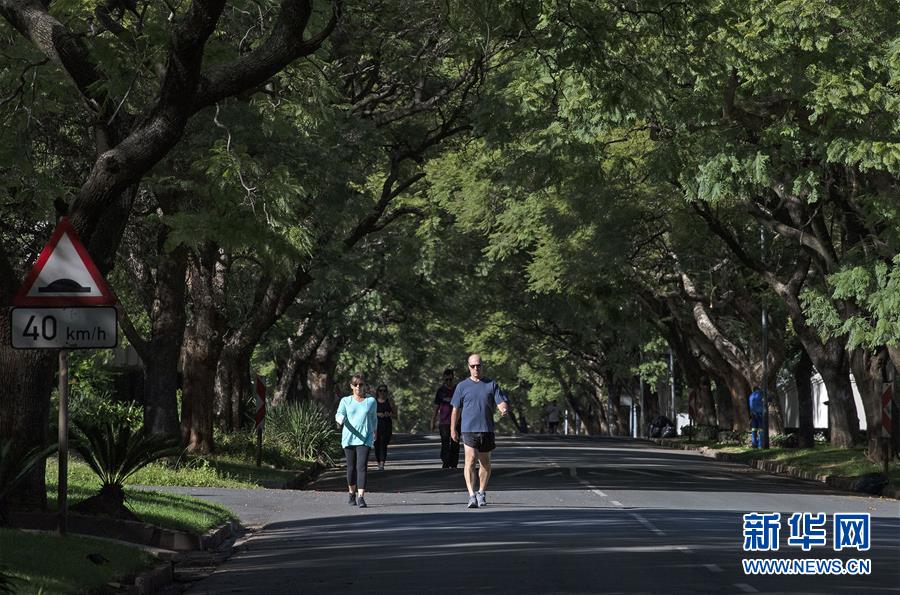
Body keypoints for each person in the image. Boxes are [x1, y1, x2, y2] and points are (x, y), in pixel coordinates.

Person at [450, 353, 509, 509]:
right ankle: (471, 495)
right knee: (470, 460)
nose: (476, 368)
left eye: (478, 365)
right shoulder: (462, 386)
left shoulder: (491, 384)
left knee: (485, 463)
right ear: (468, 367)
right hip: (468, 429)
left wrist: (503, 409)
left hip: (486, 429)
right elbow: (455, 409)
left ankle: (481, 492)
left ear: (482, 366)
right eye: (473, 366)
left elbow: (501, 401)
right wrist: (453, 430)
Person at [335, 374, 378, 508]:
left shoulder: (370, 401)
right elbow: (339, 413)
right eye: (356, 384)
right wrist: (340, 418)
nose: (358, 387)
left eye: (361, 384)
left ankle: (361, 497)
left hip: (364, 438)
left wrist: (374, 433)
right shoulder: (345, 401)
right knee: (351, 468)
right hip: (349, 439)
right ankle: (351, 493)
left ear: (365, 386)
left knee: (362, 467)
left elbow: (373, 419)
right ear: (351, 386)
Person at [431, 368, 460, 468]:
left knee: (455, 443)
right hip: (444, 422)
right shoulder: (440, 391)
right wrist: (433, 421)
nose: (448, 382)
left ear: (453, 378)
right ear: (443, 379)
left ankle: (454, 463)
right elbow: (436, 407)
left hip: (457, 422)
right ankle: (446, 462)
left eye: (450, 379)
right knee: (445, 443)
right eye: (446, 380)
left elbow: (463, 406)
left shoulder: (458, 389)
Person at [373, 384, 397, 471]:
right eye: (380, 390)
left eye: (384, 391)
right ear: (377, 392)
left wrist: (389, 414)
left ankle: (382, 463)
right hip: (376, 426)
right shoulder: (373, 402)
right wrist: (377, 414)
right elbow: (369, 414)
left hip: (387, 426)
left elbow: (395, 415)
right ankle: (378, 462)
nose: (382, 392)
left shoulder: (390, 402)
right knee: (377, 444)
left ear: (387, 392)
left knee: (383, 444)